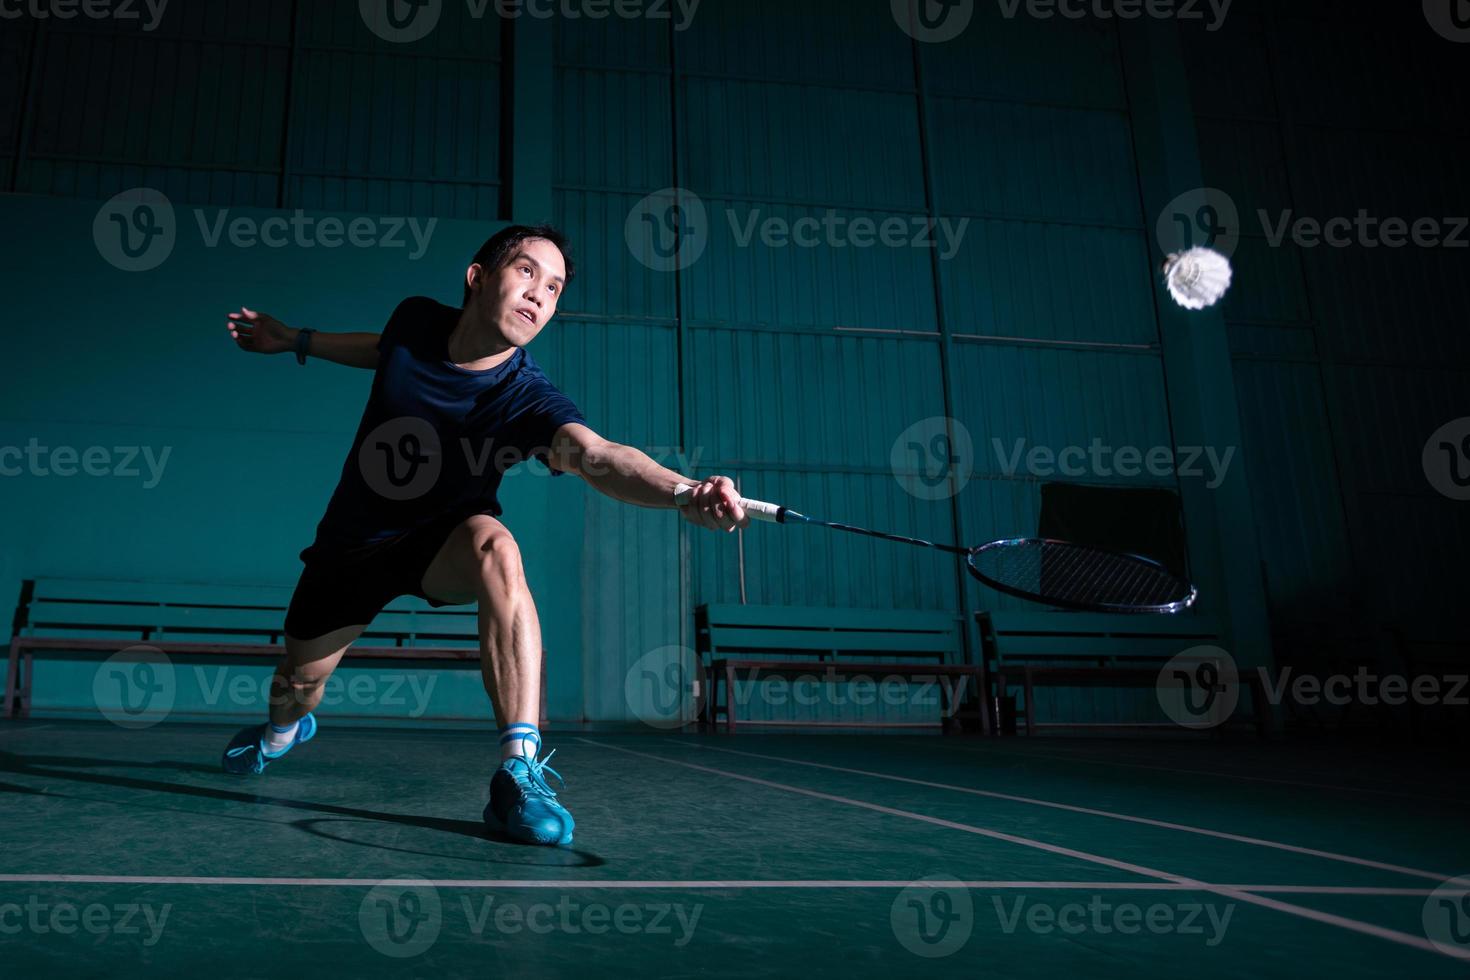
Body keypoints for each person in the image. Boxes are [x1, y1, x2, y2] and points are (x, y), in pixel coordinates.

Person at [220, 224, 747, 846]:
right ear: (477, 278)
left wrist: (682, 492)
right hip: (350, 547)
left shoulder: (527, 397)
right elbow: (383, 348)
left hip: (443, 541)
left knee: (498, 546)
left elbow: (597, 454)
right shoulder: (415, 320)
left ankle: (518, 770)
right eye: (526, 272)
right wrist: (296, 341)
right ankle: (283, 731)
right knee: (296, 688)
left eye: (553, 289)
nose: (539, 295)